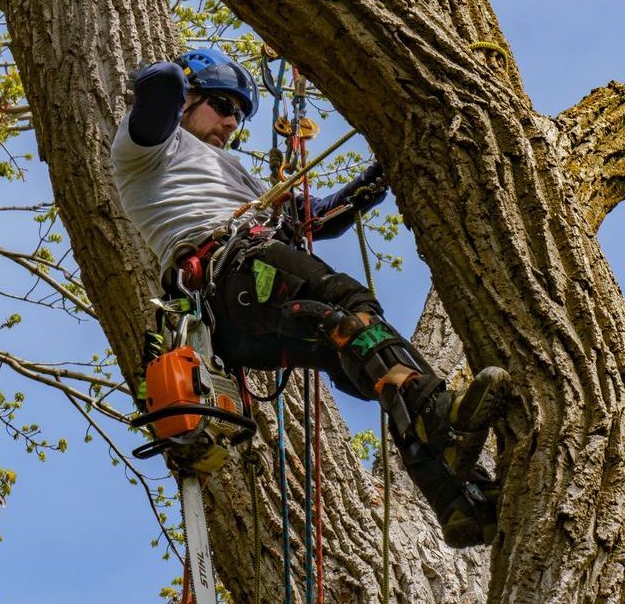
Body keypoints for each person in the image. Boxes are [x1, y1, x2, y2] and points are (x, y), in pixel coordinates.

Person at [111, 46, 508, 546]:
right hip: (231, 269)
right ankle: (439, 420)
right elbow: (161, 84)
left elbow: (320, 216)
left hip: (243, 310)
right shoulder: (148, 148)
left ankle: (460, 501)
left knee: (361, 358)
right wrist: (183, 83)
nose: (232, 122)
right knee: (348, 303)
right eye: (223, 105)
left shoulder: (236, 176)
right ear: (190, 99)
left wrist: (382, 172)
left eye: (239, 113)